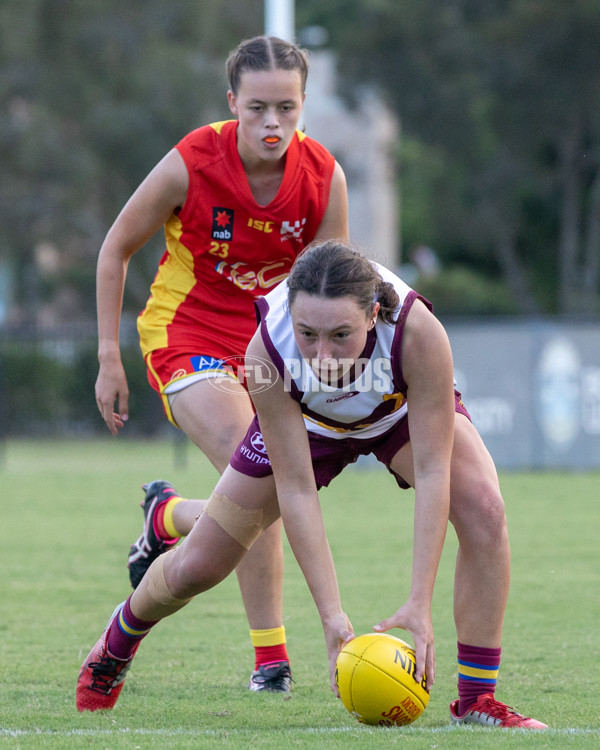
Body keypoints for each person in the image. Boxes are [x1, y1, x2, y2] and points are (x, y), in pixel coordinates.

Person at [79, 242, 547, 730]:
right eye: (309, 335)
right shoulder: (266, 349)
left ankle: (476, 701)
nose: (323, 357)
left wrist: (418, 601)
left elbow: (432, 473)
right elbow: (297, 490)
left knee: (485, 509)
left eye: (340, 335)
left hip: (395, 415)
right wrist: (331, 616)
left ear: (372, 315)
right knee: (198, 566)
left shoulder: (418, 332)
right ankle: (118, 640)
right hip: (309, 425)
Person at [93, 35, 349, 694]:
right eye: (258, 107)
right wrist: (106, 358)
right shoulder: (191, 163)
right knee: (253, 458)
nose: (272, 124)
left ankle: (171, 519)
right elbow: (116, 248)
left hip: (266, 348)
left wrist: (330, 369)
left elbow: (330, 289)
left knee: (259, 486)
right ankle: (272, 662)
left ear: (302, 105)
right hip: (186, 334)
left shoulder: (323, 178)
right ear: (232, 101)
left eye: (286, 109)